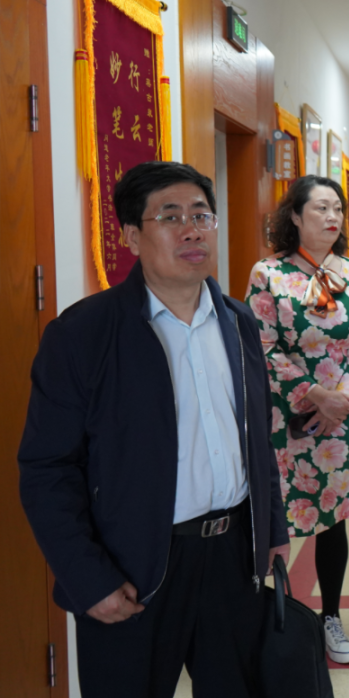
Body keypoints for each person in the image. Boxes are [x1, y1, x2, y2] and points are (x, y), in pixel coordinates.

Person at [17, 161, 290, 698]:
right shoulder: (83, 333)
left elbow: (257, 439)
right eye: (170, 217)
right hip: (130, 566)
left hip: (232, 558)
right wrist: (87, 577)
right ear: (131, 236)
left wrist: (272, 529)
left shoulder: (239, 322)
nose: (192, 230)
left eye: (201, 215)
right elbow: (47, 468)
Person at [245, 174, 349, 665]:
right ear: (294, 215)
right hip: (289, 415)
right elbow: (262, 345)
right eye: (320, 208)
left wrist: (341, 398)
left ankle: (331, 616)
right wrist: (315, 396)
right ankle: (266, 623)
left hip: (342, 419)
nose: (332, 217)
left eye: (337, 209)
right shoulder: (268, 274)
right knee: (274, 520)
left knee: (333, 520)